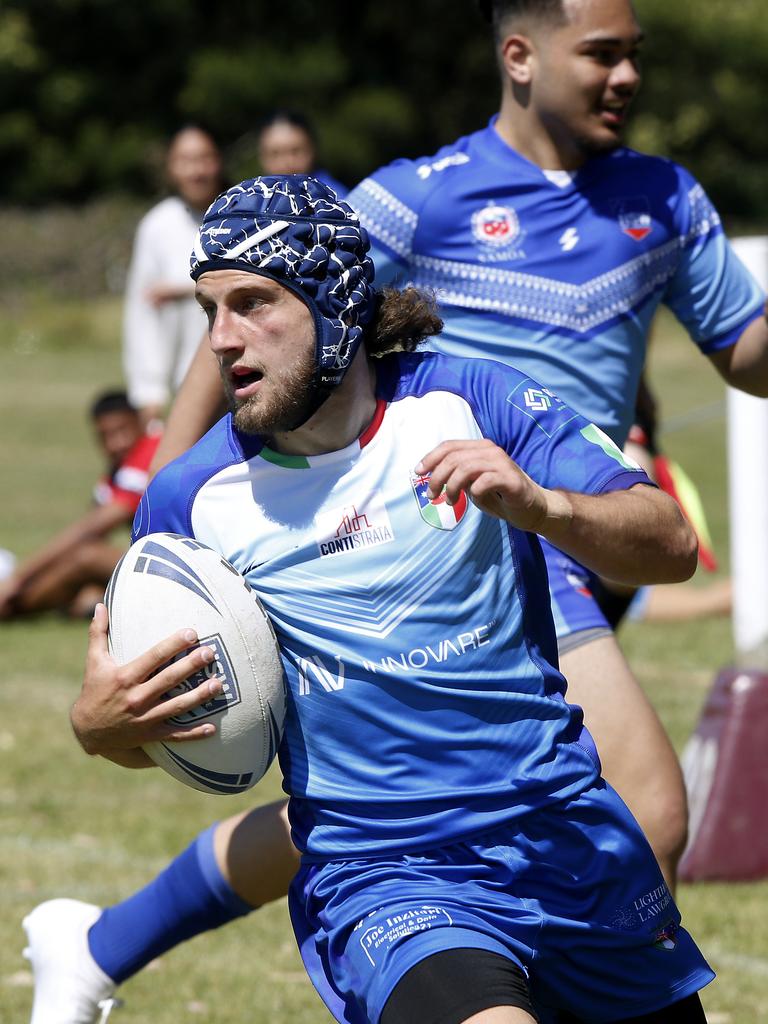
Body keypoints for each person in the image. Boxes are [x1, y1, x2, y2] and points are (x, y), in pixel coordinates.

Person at [23, 0, 768, 1015]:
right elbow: (124, 700)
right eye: (210, 313)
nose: (225, 340)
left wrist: (539, 499)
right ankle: (112, 941)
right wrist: (94, 717)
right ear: (519, 54)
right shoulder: (203, 486)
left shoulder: (632, 225)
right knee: (616, 804)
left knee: (601, 794)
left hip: (533, 530)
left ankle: (106, 940)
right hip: (393, 868)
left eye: (253, 307)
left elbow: (677, 528)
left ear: (333, 305)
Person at [0, 392, 159, 621]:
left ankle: (14, 606)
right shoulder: (119, 470)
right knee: (86, 577)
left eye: (122, 430)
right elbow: (92, 525)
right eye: (105, 436)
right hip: (158, 560)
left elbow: (90, 530)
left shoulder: (149, 454)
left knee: (87, 558)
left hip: (179, 563)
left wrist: (19, 579)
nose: (116, 443)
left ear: (140, 423)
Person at [122, 125, 225, 427]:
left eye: (203, 158)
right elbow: (140, 315)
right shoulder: (157, 226)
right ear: (171, 167)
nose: (196, 171)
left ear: (217, 161)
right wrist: (148, 390)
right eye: (185, 160)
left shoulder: (240, 216)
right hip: (184, 391)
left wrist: (180, 291)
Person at [256, 109, 348, 197]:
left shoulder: (336, 201)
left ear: (313, 150)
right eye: (275, 154)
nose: (286, 163)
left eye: (295, 151)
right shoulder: (250, 201)